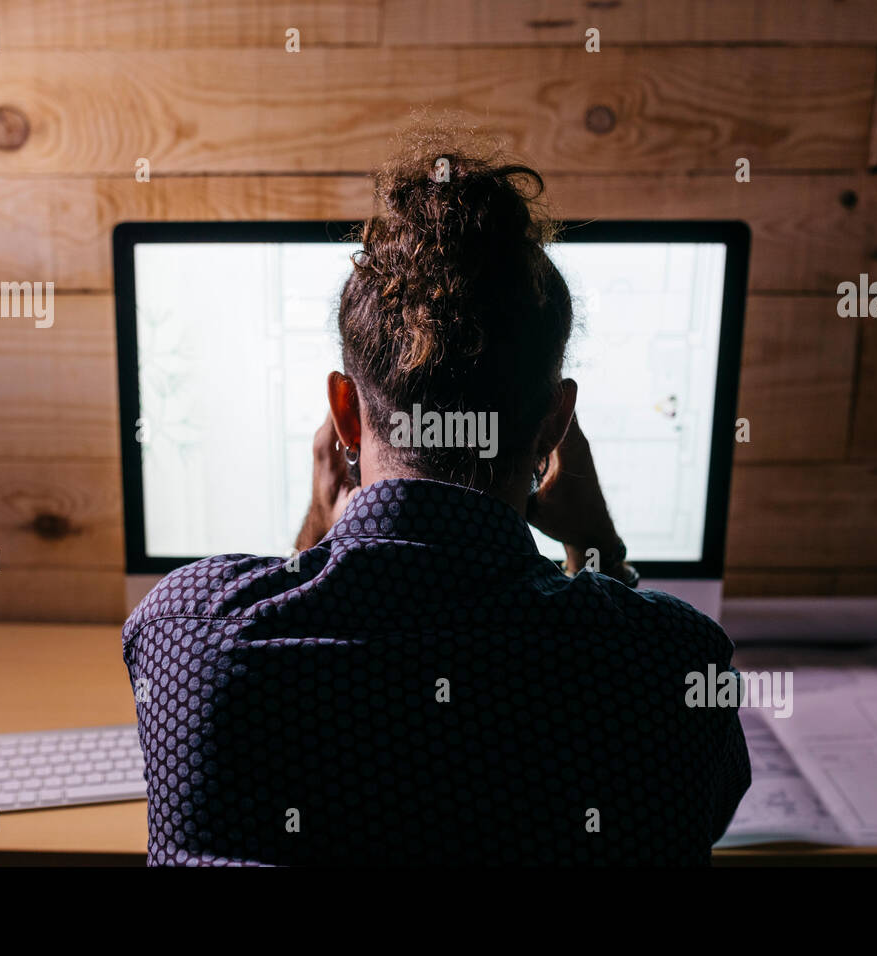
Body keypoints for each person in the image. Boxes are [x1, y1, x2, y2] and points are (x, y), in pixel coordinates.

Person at [122, 126, 750, 865]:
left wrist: (316, 541)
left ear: (347, 414)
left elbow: (288, 638)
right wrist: (600, 550)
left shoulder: (191, 635)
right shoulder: (672, 669)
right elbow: (695, 813)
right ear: (555, 422)